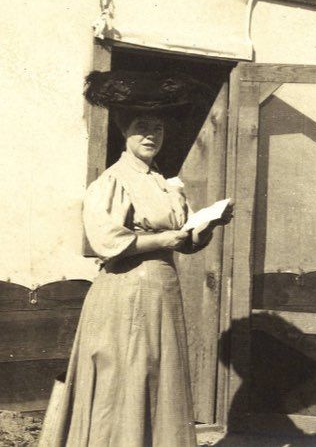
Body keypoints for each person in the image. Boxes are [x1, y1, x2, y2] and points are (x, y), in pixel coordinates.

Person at [47, 70, 234, 446]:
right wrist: (167, 237)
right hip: (127, 291)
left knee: (156, 376)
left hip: (161, 290)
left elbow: (183, 241)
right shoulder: (112, 181)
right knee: (126, 377)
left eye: (158, 129)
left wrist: (208, 225)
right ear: (126, 133)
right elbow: (106, 240)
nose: (151, 135)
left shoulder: (163, 182)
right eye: (142, 127)